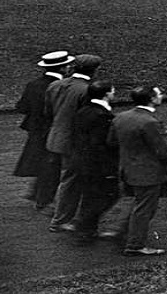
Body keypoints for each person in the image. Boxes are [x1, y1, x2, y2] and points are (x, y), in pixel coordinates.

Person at [109, 85, 167, 256]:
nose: (161, 96)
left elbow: (112, 142)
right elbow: (162, 149)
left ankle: (122, 233)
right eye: (159, 94)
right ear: (152, 99)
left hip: (128, 169)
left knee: (139, 203)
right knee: (145, 209)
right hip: (148, 172)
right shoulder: (149, 122)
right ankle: (135, 245)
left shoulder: (120, 117)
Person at [44, 54, 103, 232]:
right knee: (71, 180)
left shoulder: (55, 85)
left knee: (69, 178)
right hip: (75, 143)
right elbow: (85, 120)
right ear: (94, 70)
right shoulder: (87, 89)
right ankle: (60, 220)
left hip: (56, 138)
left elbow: (48, 113)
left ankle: (65, 217)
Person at [14, 50, 74, 211]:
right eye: (67, 65)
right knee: (52, 165)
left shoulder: (33, 84)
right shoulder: (61, 87)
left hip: (35, 129)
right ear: (62, 68)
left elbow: (22, 107)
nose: (69, 68)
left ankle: (35, 193)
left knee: (43, 161)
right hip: (52, 130)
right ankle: (44, 200)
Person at [70, 80, 118, 241]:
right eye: (112, 91)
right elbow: (101, 143)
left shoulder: (84, 111)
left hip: (82, 160)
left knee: (91, 195)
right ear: (106, 94)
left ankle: (86, 227)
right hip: (98, 163)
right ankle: (85, 227)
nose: (114, 93)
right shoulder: (102, 115)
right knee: (106, 195)